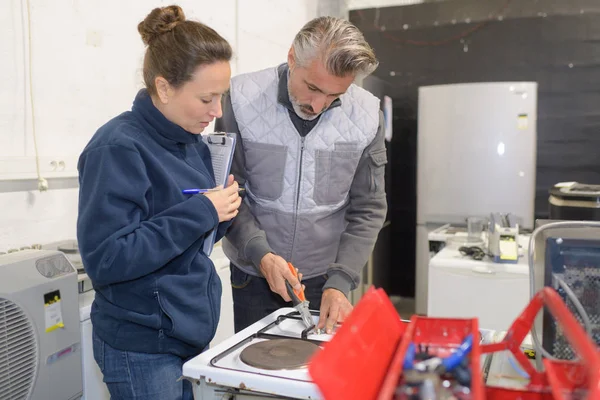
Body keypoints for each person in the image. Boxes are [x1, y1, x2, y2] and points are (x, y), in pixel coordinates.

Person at [76, 5, 240, 400]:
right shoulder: (117, 148)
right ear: (164, 88)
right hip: (143, 346)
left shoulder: (192, 143)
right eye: (207, 98)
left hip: (185, 332)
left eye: (221, 97)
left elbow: (189, 238)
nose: (217, 112)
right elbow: (108, 258)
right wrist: (203, 210)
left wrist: (225, 210)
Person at [215, 16, 387, 335]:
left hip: (326, 280)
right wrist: (261, 254)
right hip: (253, 274)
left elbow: (369, 209)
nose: (319, 105)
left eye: (335, 96)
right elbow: (228, 193)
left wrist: (341, 280)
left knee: (316, 378)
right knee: (257, 376)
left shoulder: (366, 117)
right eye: (312, 88)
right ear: (293, 57)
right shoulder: (239, 99)